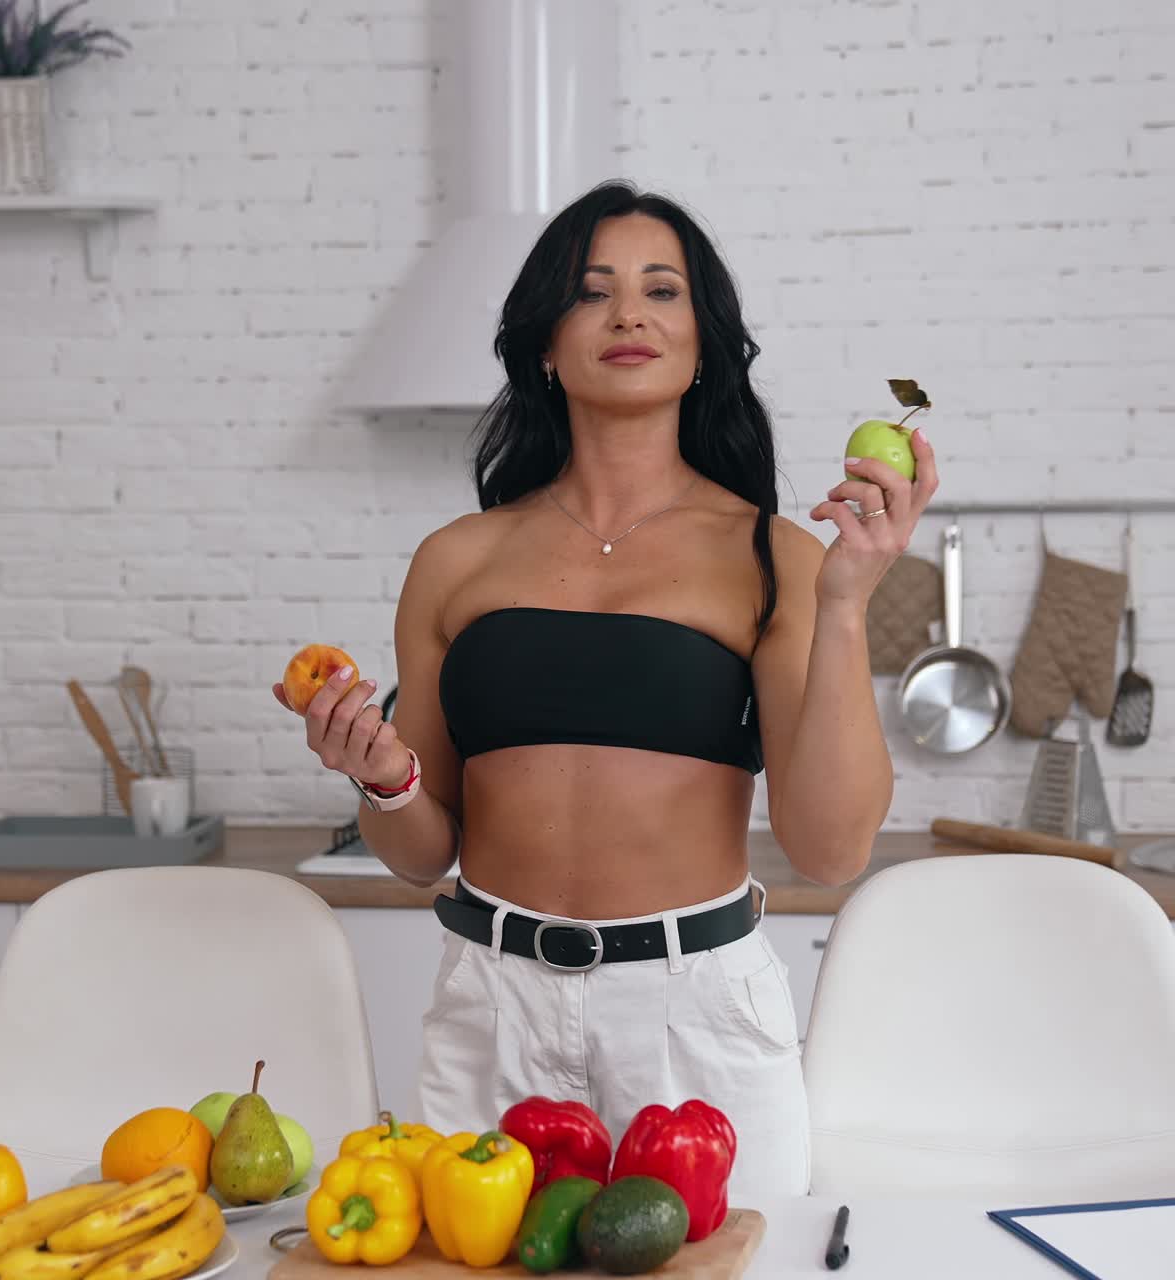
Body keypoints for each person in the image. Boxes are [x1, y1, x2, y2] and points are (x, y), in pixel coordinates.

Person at [273, 181, 938, 1200]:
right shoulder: (454, 560)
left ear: (701, 342)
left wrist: (847, 602)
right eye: (592, 292)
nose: (628, 312)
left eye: (660, 290)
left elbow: (830, 848)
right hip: (487, 1007)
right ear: (546, 341)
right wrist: (384, 779)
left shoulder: (775, 556)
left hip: (695, 1022)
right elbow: (420, 854)